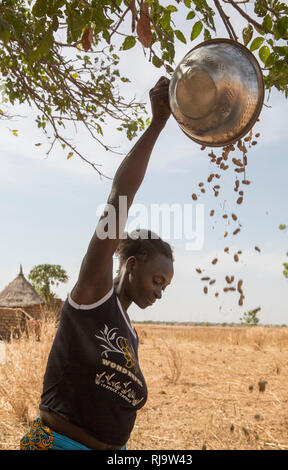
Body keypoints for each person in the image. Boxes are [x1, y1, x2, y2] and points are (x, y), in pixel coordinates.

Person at [20, 76, 174, 450]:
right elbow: (120, 194)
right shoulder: (92, 297)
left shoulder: (129, 333)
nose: (159, 291)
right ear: (132, 266)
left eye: (164, 287)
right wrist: (156, 125)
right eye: (157, 280)